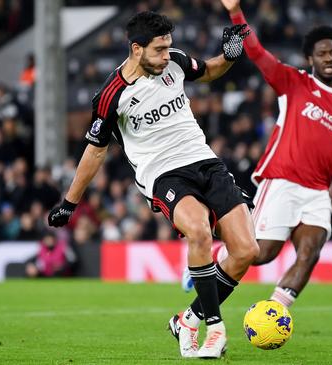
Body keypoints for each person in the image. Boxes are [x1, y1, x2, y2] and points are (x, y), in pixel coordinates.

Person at [47, 11, 257, 359]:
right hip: (163, 174)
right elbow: (95, 153)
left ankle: (188, 318)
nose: (166, 55)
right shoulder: (111, 95)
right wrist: (70, 202)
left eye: (168, 48)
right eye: (159, 50)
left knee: (247, 251)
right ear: (136, 49)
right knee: (200, 233)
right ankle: (215, 329)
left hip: (204, 160)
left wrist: (230, 57)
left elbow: (206, 72)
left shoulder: (173, 62)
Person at [203, 0, 332, 308]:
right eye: (322, 53)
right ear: (310, 58)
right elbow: (258, 52)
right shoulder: (294, 82)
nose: (329, 58)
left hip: (317, 192)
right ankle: (211, 258)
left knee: (310, 253)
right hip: (282, 181)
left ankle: (273, 314)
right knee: (261, 254)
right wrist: (236, 12)